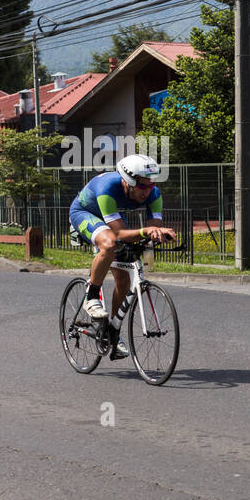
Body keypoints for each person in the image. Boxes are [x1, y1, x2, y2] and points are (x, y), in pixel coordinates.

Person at [68, 154, 176, 360]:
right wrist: (146, 231)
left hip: (113, 216)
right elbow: (118, 234)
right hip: (85, 213)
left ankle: (112, 334)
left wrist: (160, 234)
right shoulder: (108, 188)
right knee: (109, 244)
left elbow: (153, 228)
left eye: (151, 185)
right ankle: (91, 296)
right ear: (128, 183)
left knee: (123, 278)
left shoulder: (154, 194)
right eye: (143, 186)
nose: (148, 190)